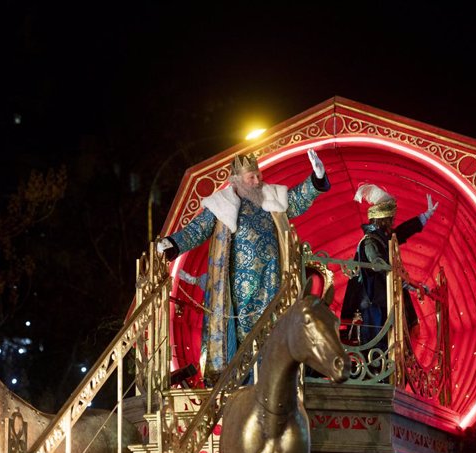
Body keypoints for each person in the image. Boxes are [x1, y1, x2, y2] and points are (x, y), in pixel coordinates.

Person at [157, 149, 330, 385]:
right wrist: (173, 243)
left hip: (272, 283)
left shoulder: (271, 199)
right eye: (251, 177)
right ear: (237, 181)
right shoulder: (221, 205)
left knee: (272, 331)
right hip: (238, 289)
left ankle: (272, 381)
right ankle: (244, 384)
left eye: (258, 175)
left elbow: (298, 200)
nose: (258, 181)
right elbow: (197, 230)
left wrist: (316, 179)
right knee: (242, 336)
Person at [340, 184, 438, 347]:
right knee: (381, 346)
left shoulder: (384, 238)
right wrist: (408, 282)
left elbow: (402, 232)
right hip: (374, 304)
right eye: (391, 219)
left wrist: (425, 216)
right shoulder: (370, 242)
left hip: (385, 300)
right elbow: (380, 265)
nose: (393, 222)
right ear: (384, 220)